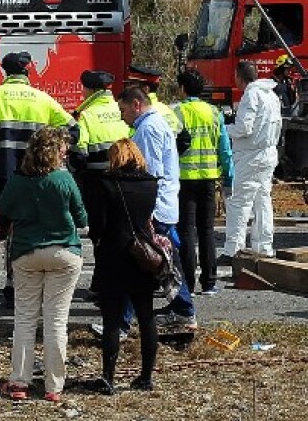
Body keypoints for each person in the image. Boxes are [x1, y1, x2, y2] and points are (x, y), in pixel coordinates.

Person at [0, 51, 76, 307]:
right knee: (23, 229)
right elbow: (73, 129)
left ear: (5, 72)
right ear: (28, 72)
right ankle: (14, 291)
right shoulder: (42, 99)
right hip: (34, 176)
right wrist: (56, 157)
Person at [0, 127, 87, 402]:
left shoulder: (17, 180)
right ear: (56, 153)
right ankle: (53, 386)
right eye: (63, 150)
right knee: (56, 321)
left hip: (26, 252)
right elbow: (81, 217)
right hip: (64, 253)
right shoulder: (64, 179)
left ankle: (19, 382)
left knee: (24, 319)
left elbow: (4, 213)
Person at [118, 86, 197, 333]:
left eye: (123, 110)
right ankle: (180, 311)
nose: (122, 116)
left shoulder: (149, 128)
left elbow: (150, 173)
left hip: (156, 207)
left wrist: (146, 210)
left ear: (136, 104)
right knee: (159, 263)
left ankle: (123, 322)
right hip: (163, 204)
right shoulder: (154, 124)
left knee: (150, 262)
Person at [85, 139, 161, 395]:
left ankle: (109, 376)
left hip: (113, 255)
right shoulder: (151, 184)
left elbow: (98, 226)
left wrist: (97, 238)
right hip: (142, 255)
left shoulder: (106, 184)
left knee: (112, 321)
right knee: (146, 316)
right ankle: (146, 376)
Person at [69, 70, 129, 301]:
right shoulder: (120, 110)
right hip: (125, 179)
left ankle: (101, 283)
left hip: (97, 183)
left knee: (100, 236)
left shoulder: (86, 116)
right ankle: (120, 281)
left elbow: (78, 155)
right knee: (122, 232)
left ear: (91, 90)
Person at [173, 68, 233, 295]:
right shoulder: (214, 112)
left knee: (186, 231)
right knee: (207, 230)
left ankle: (187, 284)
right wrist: (228, 175)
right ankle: (209, 282)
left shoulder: (178, 112)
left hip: (184, 178)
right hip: (209, 178)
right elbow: (224, 148)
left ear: (182, 89)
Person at [222, 61, 282, 259]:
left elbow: (243, 129)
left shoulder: (250, 94)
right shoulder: (271, 94)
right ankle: (264, 247)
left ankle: (234, 250)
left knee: (240, 202)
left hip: (250, 155)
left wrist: (223, 130)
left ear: (239, 77)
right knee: (262, 201)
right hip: (269, 153)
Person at [125, 65, 183, 135]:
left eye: (132, 86)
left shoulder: (141, 111)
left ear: (146, 89)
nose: (128, 90)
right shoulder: (167, 109)